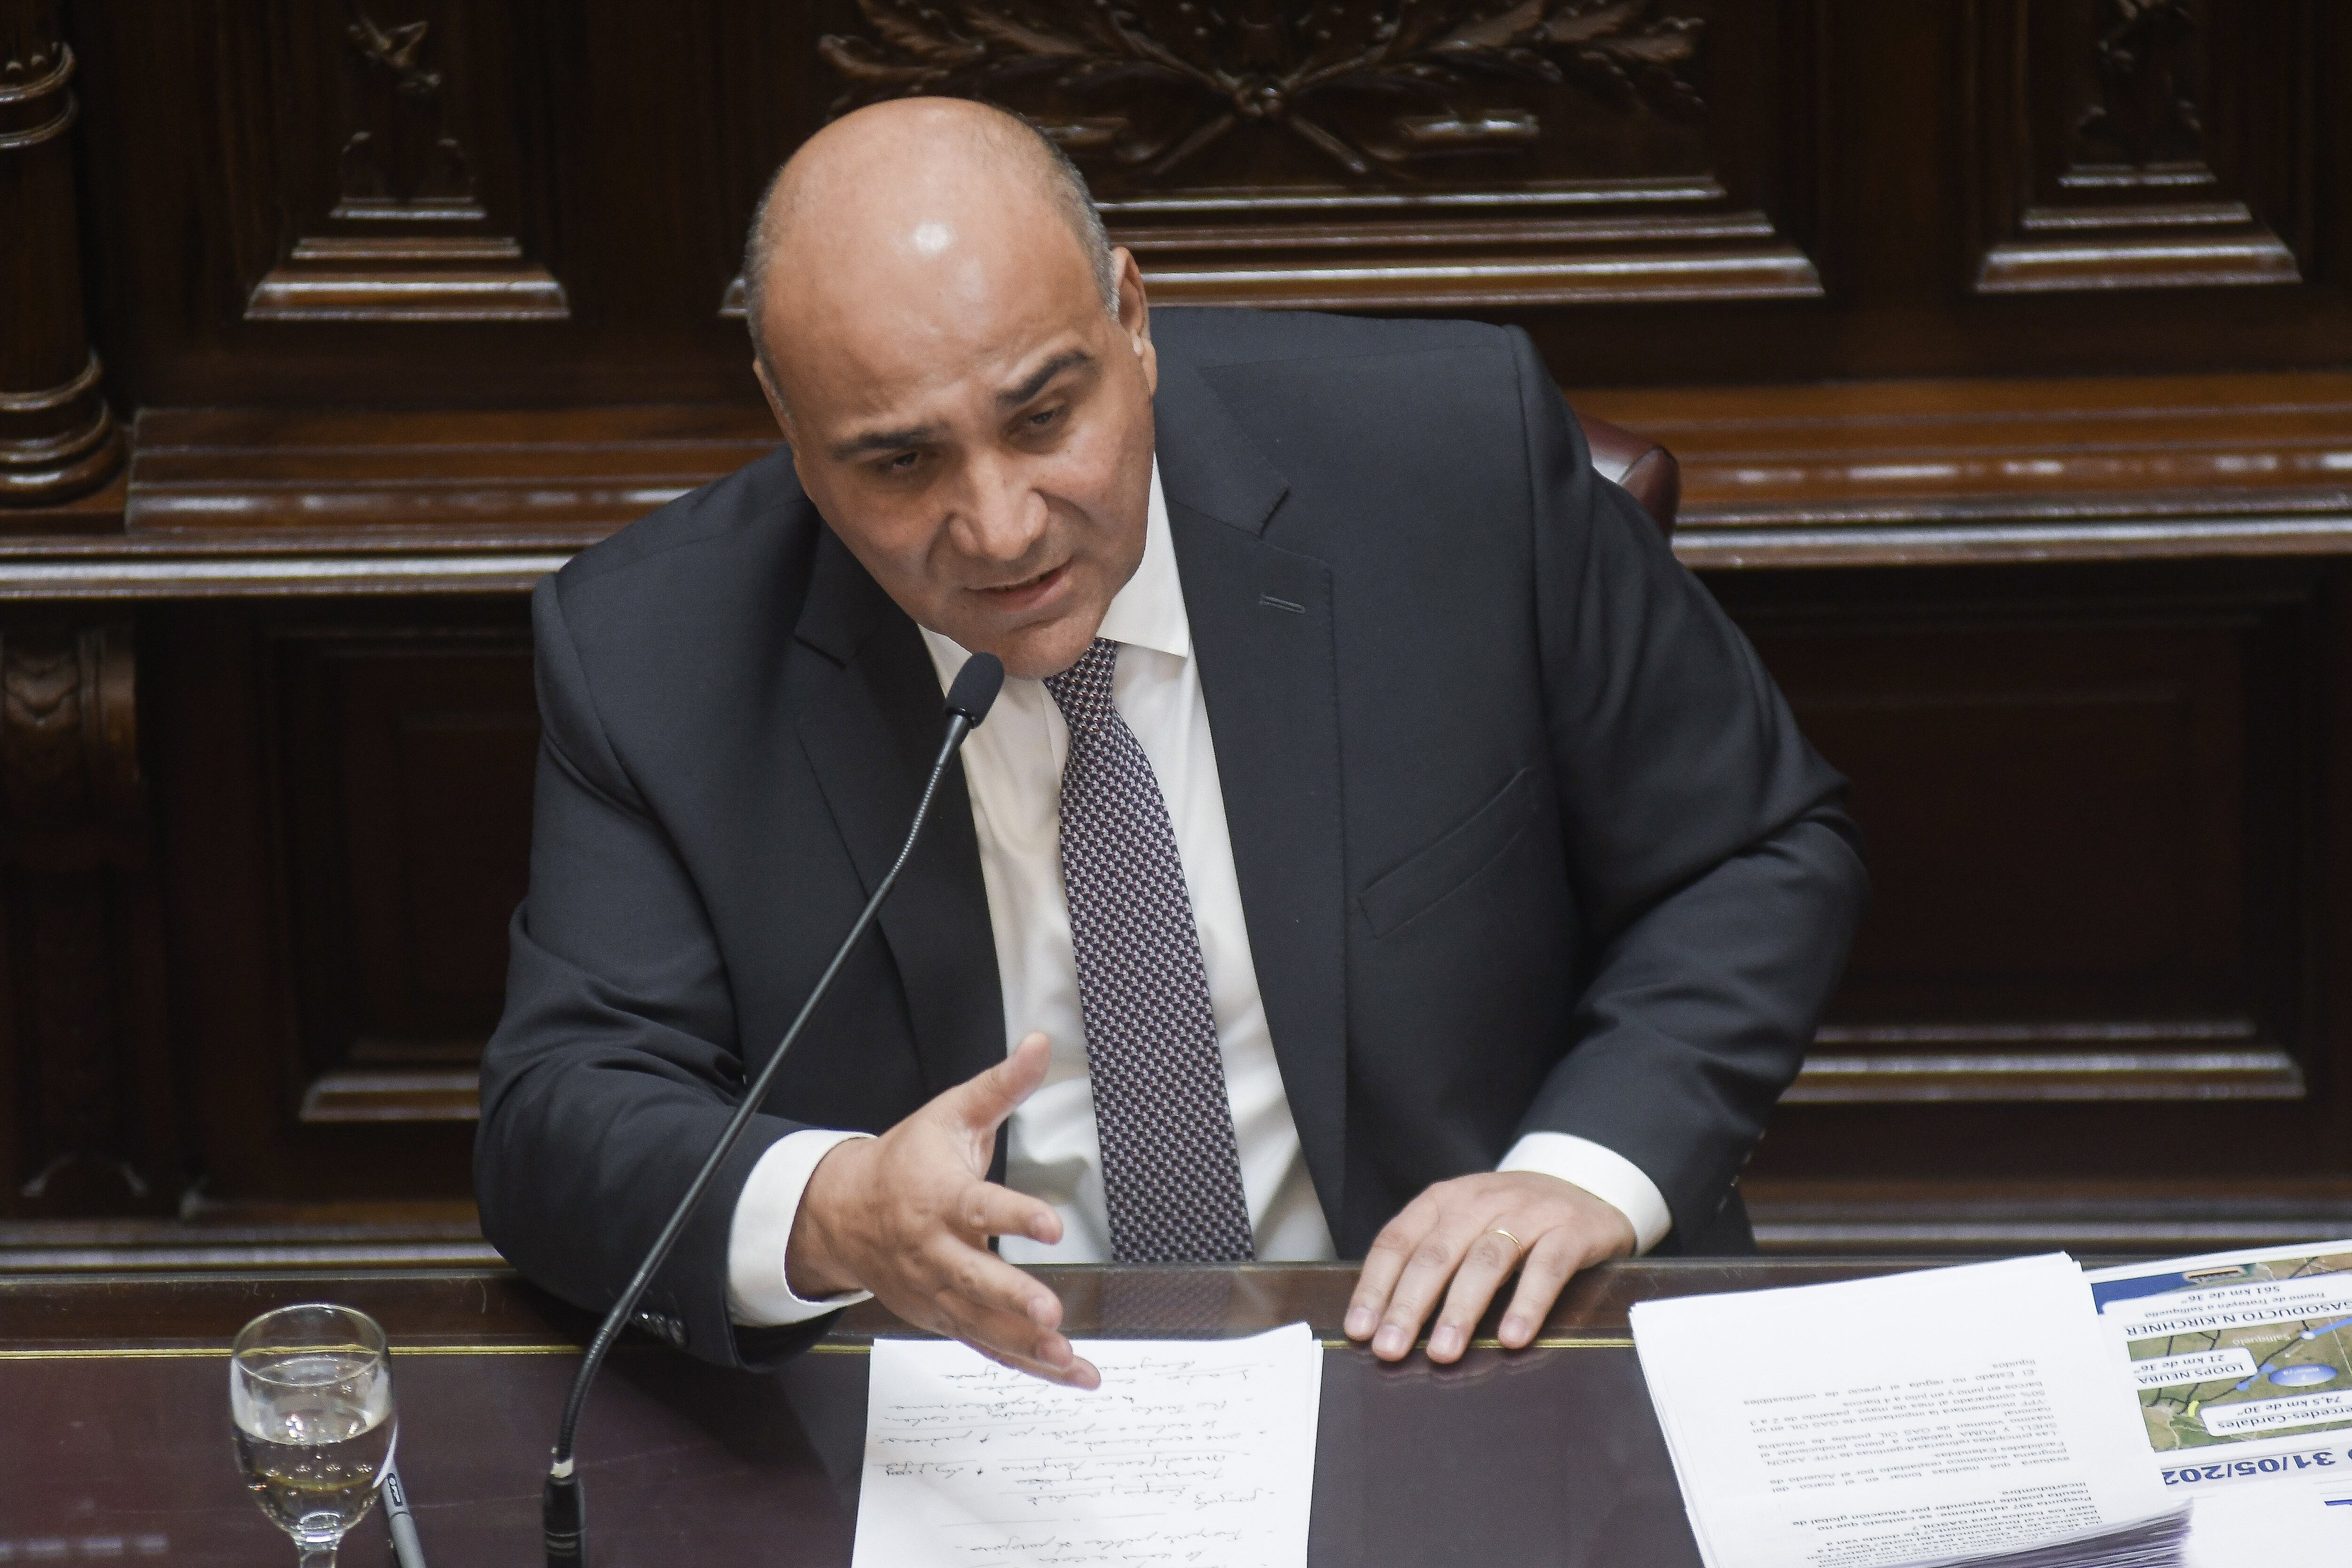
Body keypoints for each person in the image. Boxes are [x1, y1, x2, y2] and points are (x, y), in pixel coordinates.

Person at [476, 98, 1867, 1388]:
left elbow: (1750, 854)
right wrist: (830, 1212)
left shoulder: (1452, 461)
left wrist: (1580, 1169)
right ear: (790, 428)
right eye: (900, 463)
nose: (1003, 526)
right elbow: (560, 1115)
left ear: (1132, 320)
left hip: (1455, 1362)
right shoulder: (654, 650)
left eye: (1044, 415)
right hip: (973, 1413)